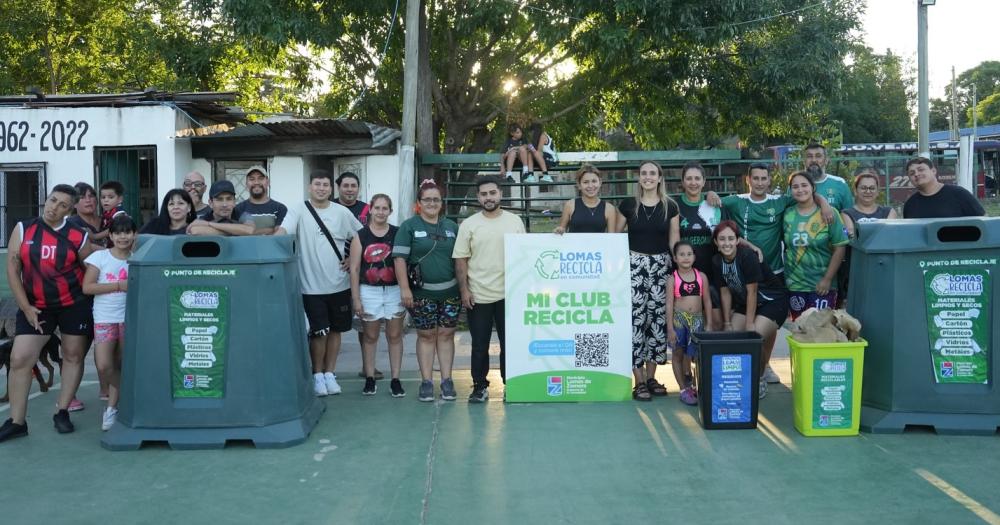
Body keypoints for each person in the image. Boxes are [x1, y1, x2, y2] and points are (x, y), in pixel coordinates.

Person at [0, 185, 96, 442]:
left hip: (73, 303)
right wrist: (25, 307)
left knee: (72, 356)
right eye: (53, 200)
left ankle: (62, 412)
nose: (55, 207)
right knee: (20, 359)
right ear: (46, 198)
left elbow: (92, 266)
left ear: (70, 209)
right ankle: (17, 421)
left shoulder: (77, 235)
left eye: (63, 205)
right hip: (35, 304)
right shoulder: (23, 228)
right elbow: (13, 268)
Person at [276, 170, 362, 397]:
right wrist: (271, 238)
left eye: (325, 185)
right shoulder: (299, 209)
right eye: (317, 184)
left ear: (330, 189)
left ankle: (330, 374)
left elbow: (360, 238)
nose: (321, 188)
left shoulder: (342, 212)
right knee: (318, 332)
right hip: (310, 286)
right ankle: (317, 375)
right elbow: (284, 231)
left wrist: (351, 258)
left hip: (339, 284)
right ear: (309, 186)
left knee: (336, 330)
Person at [454, 175, 525, 402]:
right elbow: (461, 260)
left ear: (500, 194)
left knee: (509, 344)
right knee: (479, 345)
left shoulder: (515, 221)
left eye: (492, 193)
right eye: (484, 194)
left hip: (509, 295)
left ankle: (510, 384)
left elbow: (525, 255)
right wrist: (464, 291)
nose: (488, 197)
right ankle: (479, 386)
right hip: (479, 295)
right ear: (478, 197)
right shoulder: (469, 224)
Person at [393, 180, 461, 402]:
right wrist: (405, 289)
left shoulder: (452, 227)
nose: (432, 203)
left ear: (441, 203)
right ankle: (426, 381)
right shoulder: (409, 226)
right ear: (419, 203)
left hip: (450, 293)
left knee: (446, 334)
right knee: (426, 335)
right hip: (421, 294)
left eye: (436, 199)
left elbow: (461, 260)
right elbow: (400, 259)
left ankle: (447, 380)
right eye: (427, 199)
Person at [616, 160, 679, 401]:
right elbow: (615, 236)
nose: (648, 177)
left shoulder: (669, 206)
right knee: (635, 322)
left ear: (660, 178)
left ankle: (651, 377)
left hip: (661, 268)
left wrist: (678, 269)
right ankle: (638, 379)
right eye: (644, 173)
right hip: (634, 267)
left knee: (657, 321)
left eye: (653, 173)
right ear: (639, 177)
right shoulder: (629, 205)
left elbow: (674, 240)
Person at [712, 220, 789, 399]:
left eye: (731, 238)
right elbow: (725, 293)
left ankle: (759, 377)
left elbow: (752, 291)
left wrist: (749, 324)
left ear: (738, 240)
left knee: (753, 337)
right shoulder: (717, 261)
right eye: (722, 239)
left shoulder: (747, 256)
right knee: (730, 337)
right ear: (716, 242)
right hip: (746, 303)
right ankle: (739, 377)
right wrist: (727, 322)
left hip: (772, 301)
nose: (727, 243)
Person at [82, 215, 136, 431]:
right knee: (105, 366)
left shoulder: (137, 258)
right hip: (104, 318)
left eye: (128, 232)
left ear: (134, 235)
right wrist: (119, 286)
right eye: (118, 232)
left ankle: (112, 408)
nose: (123, 236)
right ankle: (131, 394)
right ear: (111, 236)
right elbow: (88, 287)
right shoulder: (100, 257)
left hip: (129, 319)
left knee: (122, 364)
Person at [349, 194, 405, 397]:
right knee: (370, 336)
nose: (381, 212)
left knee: (395, 335)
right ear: (370, 209)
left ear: (390, 211)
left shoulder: (399, 233)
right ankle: (370, 377)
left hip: (394, 290)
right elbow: (354, 269)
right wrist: (356, 298)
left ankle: (396, 379)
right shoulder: (360, 236)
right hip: (369, 290)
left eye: (385, 208)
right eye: (377, 208)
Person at [333, 171, 384, 380]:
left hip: (362, 273)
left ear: (359, 188)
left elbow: (373, 238)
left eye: (353, 185)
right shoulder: (329, 208)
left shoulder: (367, 210)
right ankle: (328, 370)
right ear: (339, 187)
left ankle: (367, 367)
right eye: (346, 185)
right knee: (332, 325)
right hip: (333, 272)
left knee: (365, 323)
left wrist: (354, 260)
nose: (349, 189)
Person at [783, 172, 849, 320]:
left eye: (804, 185)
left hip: (822, 285)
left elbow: (840, 248)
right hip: (795, 284)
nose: (800, 190)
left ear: (813, 187)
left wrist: (827, 279)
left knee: (821, 329)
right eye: (795, 187)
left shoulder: (830, 213)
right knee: (799, 329)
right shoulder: (787, 214)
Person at [670, 162, 723, 330]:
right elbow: (674, 238)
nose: (693, 182)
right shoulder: (675, 206)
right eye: (689, 178)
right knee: (687, 325)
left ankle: (707, 357)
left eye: (697, 178)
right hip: (686, 273)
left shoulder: (714, 204)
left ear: (704, 181)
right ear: (683, 181)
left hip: (712, 271)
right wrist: (678, 264)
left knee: (714, 322)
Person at [838, 167, 897, 306]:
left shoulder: (889, 211)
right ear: (856, 191)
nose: (868, 191)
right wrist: (879, 232)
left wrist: (863, 233)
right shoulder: (846, 213)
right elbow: (852, 237)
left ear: (877, 191)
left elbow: (890, 238)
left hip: (883, 271)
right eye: (863, 188)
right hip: (855, 272)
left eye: (872, 188)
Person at [665, 241, 713, 406]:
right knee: (678, 354)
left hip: (697, 320)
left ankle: (694, 385)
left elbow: (707, 300)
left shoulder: (701, 276)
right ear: (675, 258)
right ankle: (683, 389)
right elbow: (670, 304)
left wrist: (710, 323)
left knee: (695, 355)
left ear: (694, 256)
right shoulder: (673, 279)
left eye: (689, 254)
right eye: (681, 254)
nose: (686, 258)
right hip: (679, 321)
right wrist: (670, 328)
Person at [902, 157, 986, 218]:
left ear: (933, 171)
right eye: (912, 173)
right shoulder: (910, 205)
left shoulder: (959, 194)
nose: (916, 174)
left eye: (921, 169)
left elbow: (984, 222)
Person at [553, 164, 617, 234]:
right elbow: (562, 230)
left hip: (598, 245)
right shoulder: (570, 205)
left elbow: (612, 237)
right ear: (579, 185)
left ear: (600, 182)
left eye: (594, 181)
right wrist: (559, 230)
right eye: (586, 182)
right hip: (574, 245)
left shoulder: (609, 209)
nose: (590, 186)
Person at [186, 180, 255, 237]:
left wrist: (208, 224)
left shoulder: (242, 214)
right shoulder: (205, 217)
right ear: (210, 203)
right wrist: (238, 231)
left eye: (229, 199)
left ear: (234, 202)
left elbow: (250, 230)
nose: (224, 204)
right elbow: (196, 231)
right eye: (219, 199)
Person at [234, 166, 287, 235]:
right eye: (252, 179)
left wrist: (247, 231)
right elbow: (234, 233)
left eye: (261, 178)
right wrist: (270, 230)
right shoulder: (238, 209)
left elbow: (279, 234)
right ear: (246, 184)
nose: (256, 182)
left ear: (267, 182)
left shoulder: (280, 208)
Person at [800, 143, 854, 211]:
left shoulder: (840, 184)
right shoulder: (796, 185)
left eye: (818, 156)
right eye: (809, 156)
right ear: (804, 161)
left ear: (826, 160)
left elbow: (849, 215)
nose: (813, 160)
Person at [98, 181, 128, 247]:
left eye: (110, 197)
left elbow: (112, 228)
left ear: (120, 199)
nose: (106, 200)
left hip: (118, 247)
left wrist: (95, 236)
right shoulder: (106, 212)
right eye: (103, 197)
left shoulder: (119, 213)